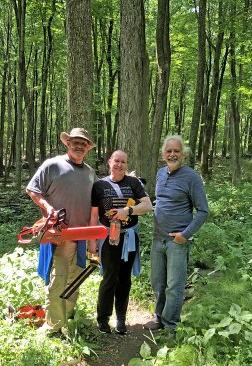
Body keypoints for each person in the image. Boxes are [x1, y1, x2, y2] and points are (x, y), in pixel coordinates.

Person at [26, 127, 96, 334]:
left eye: (83, 143)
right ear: (68, 143)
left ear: (87, 148)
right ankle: (53, 324)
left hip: (82, 236)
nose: (79, 146)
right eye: (75, 141)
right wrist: (48, 209)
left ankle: (64, 317)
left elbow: (99, 199)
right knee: (58, 278)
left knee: (76, 278)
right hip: (60, 234)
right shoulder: (52, 165)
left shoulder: (90, 173)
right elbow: (32, 189)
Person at [144, 135, 209, 333]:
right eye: (168, 151)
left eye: (176, 151)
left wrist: (185, 235)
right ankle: (159, 317)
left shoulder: (192, 177)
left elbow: (203, 211)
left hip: (177, 242)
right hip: (157, 239)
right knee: (158, 282)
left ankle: (171, 325)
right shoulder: (160, 173)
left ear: (184, 154)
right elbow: (160, 201)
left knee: (174, 285)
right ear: (164, 154)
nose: (172, 154)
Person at [89, 150, 152, 334]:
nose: (119, 165)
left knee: (124, 279)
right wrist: (92, 242)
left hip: (129, 237)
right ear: (110, 162)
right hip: (108, 237)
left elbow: (147, 205)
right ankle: (103, 319)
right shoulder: (99, 185)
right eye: (116, 161)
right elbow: (94, 216)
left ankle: (121, 319)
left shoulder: (134, 183)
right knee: (109, 278)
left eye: (123, 162)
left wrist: (128, 211)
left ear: (127, 164)